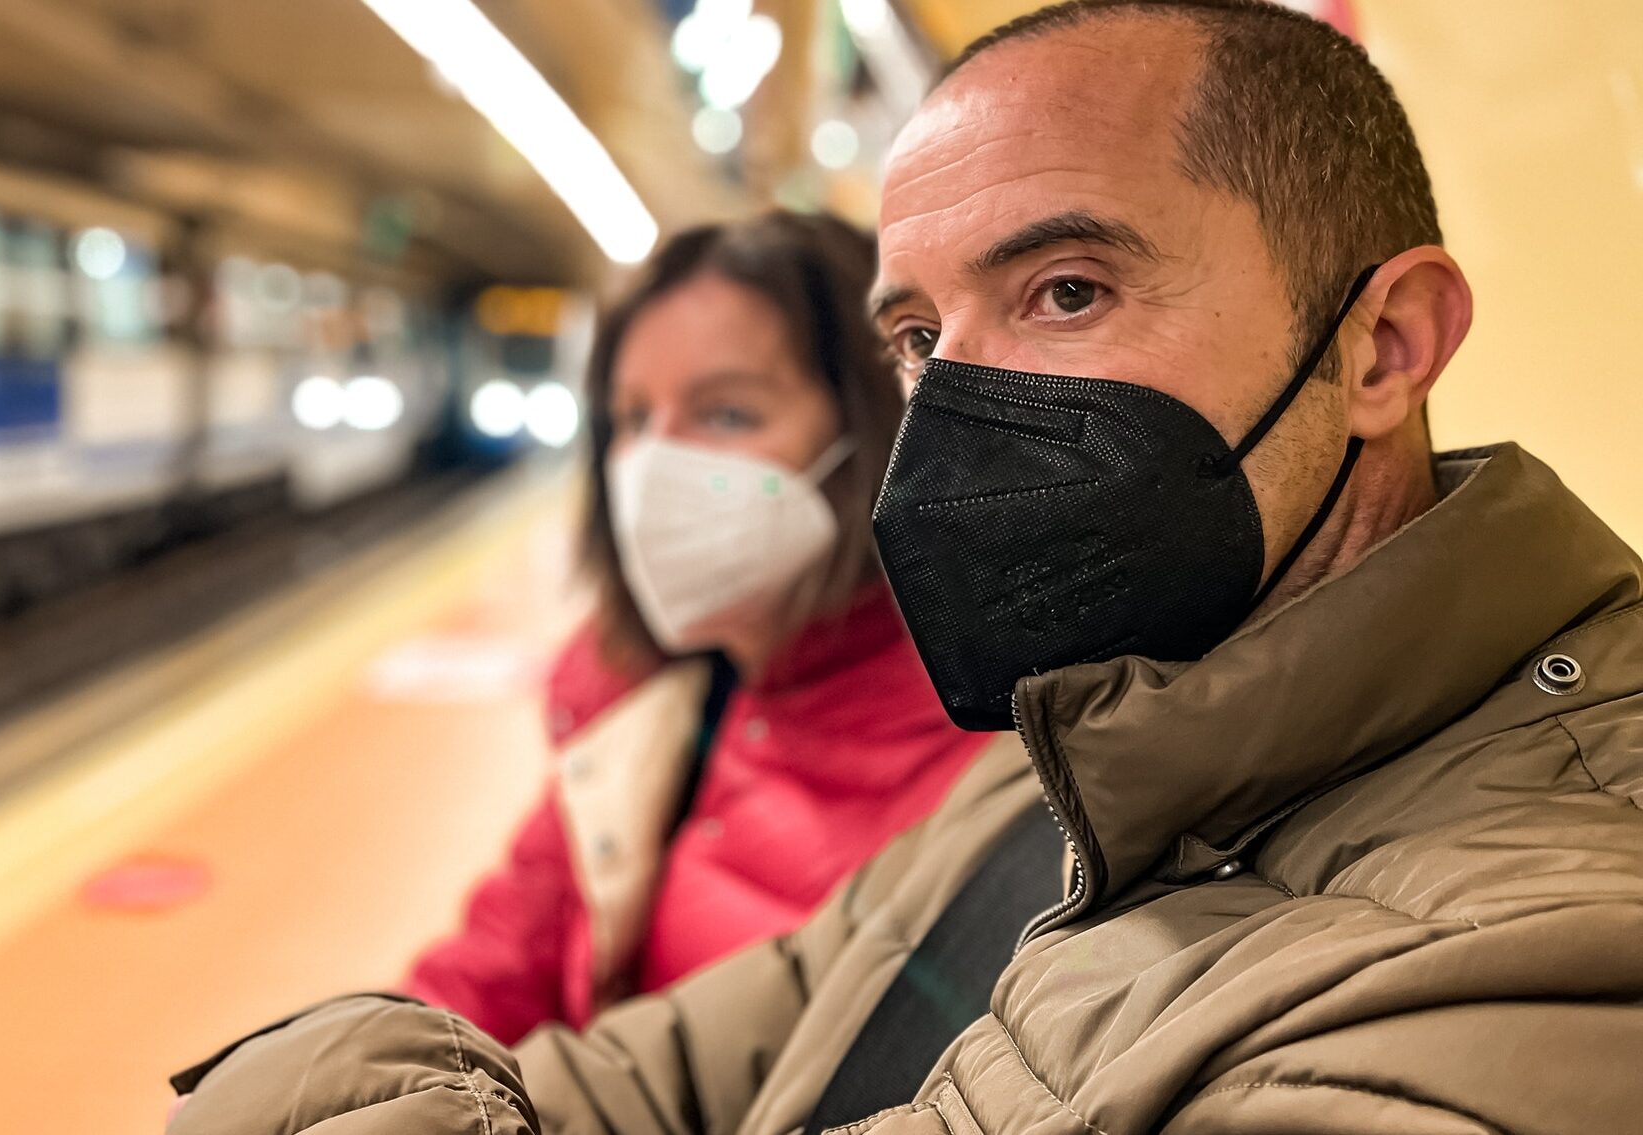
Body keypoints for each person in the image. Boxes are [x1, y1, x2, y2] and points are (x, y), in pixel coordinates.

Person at [167, 3, 1643, 1133]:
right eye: (922, 340)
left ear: (1384, 346)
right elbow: (677, 1060)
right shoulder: (1079, 739)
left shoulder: (1552, 937)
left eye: (1068, 290)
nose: (954, 411)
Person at [403, 212, 997, 1044]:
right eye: (633, 420)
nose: (652, 467)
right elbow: (496, 961)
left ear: (875, 430)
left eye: (727, 416)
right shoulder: (643, 700)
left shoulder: (993, 753)